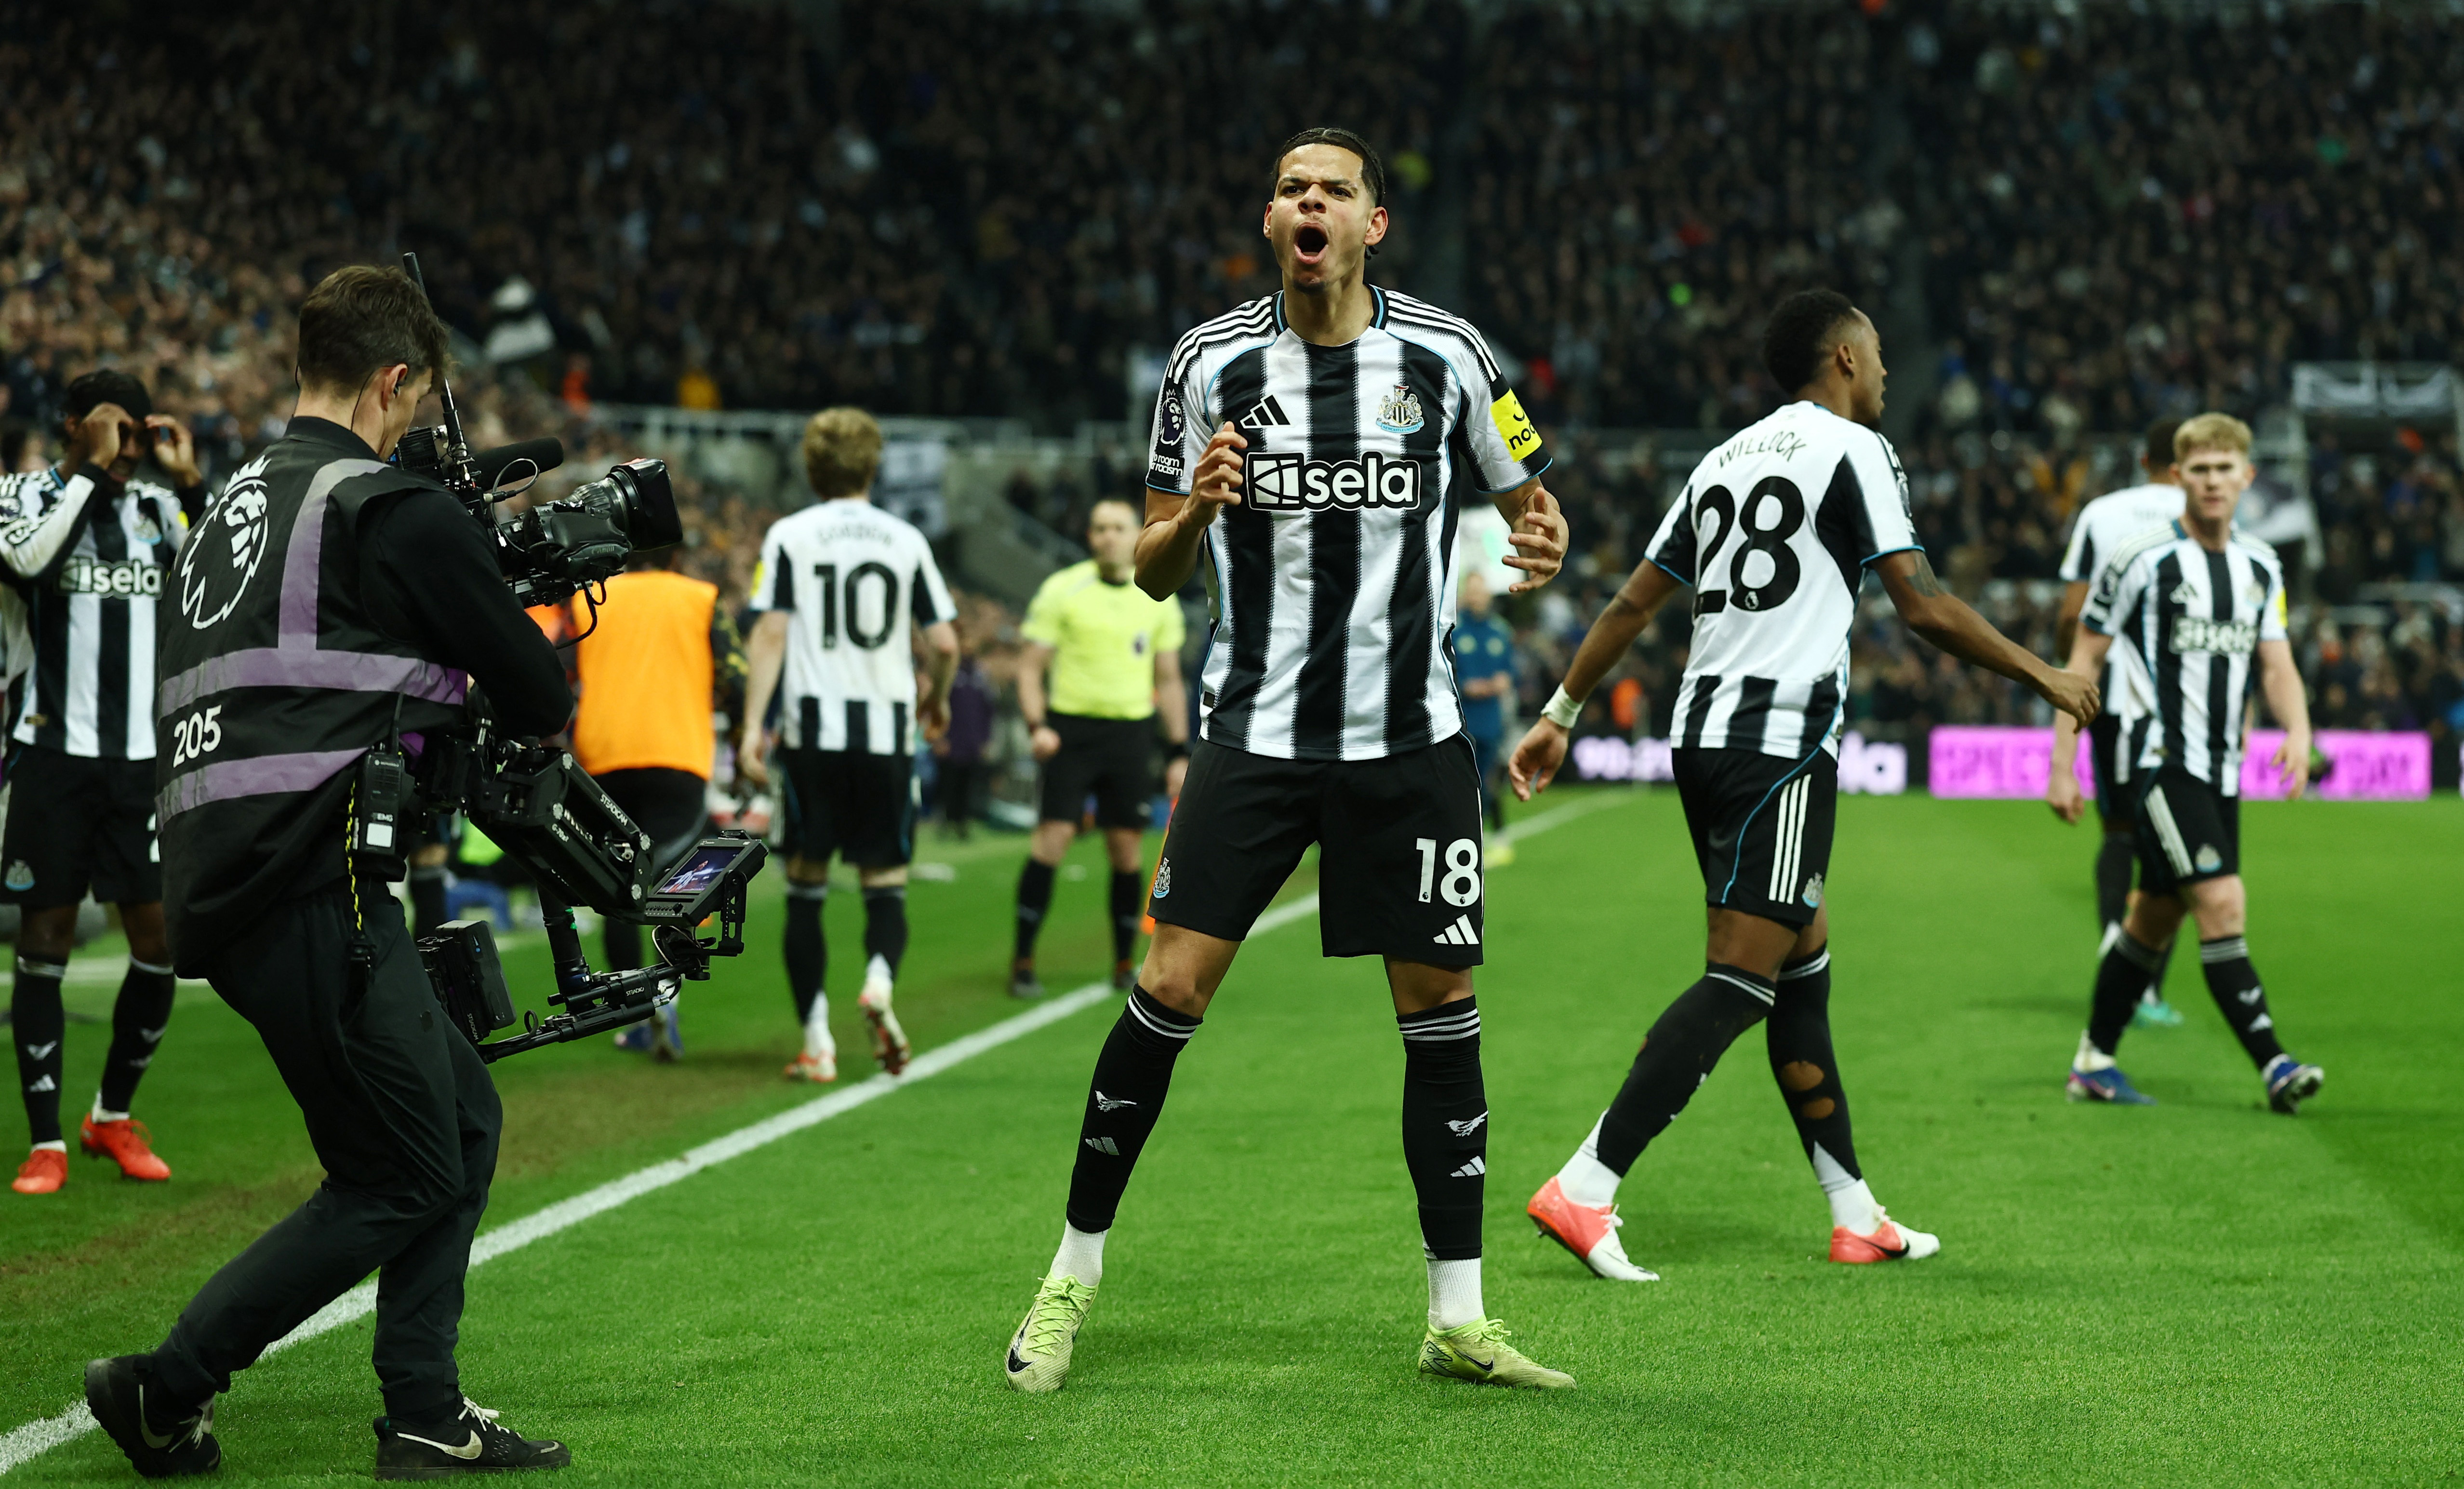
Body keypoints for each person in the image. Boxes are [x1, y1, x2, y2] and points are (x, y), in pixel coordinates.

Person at [1002, 128, 1576, 1395]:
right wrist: (1199, 511)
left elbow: (1531, 499)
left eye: (1334, 190)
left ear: (1373, 223)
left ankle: (1458, 1317)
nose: (1309, 203)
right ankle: (1068, 1279)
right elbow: (1152, 568)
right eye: (1290, 189)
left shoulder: (1450, 352)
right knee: (1170, 985)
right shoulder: (1207, 362)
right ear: (1272, 222)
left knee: (1438, 1005)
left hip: (1411, 741)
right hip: (1253, 734)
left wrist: (1543, 536)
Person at [84, 266, 575, 1478]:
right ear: (394, 380)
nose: (411, 428)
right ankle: (165, 1384)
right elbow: (538, 690)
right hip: (312, 874)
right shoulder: (377, 502)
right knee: (401, 1169)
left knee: (459, 1115)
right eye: (413, 402)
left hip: (223, 868)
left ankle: (423, 1407)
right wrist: (480, 576)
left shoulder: (232, 502)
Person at [1507, 289, 2098, 1283]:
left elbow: (1632, 602)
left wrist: (1561, 712)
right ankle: (1587, 1181)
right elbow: (1920, 601)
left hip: (1701, 736)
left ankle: (1853, 1210)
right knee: (1740, 976)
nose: (1885, 371)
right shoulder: (1854, 450)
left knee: (1798, 962)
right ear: (1843, 356)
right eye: (1875, 352)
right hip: (1776, 741)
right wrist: (2045, 674)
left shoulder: (1720, 459)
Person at [2048, 413, 2325, 1112]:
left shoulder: (2261, 565)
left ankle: (2093, 1061)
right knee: (2222, 902)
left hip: (2222, 771)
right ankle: (2274, 1064)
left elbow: (2276, 663)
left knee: (2152, 920)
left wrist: (2298, 731)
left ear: (2246, 477)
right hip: (2159, 763)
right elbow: (2083, 659)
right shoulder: (2140, 559)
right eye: (2198, 470)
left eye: (2224, 469)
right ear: (2177, 477)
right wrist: (2062, 764)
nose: (2211, 482)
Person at [4, 370, 207, 1196]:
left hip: (142, 762)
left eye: (135, 431)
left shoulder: (157, 509)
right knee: (45, 939)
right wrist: (89, 469)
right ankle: (45, 1140)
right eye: (111, 428)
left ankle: (111, 1117)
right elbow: (29, 562)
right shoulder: (21, 496)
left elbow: (223, 586)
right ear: (73, 426)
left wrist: (191, 484)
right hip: (51, 753)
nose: (127, 446)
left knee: (160, 943)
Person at [739, 407, 958, 1084]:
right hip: (886, 737)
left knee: (805, 887)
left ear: (811, 467)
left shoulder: (789, 535)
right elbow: (945, 641)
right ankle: (880, 982)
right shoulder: (905, 538)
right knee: (884, 883)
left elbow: (770, 632)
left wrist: (751, 726)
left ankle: (817, 1042)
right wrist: (937, 697)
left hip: (812, 737)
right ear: (873, 465)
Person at [568, 547, 746, 1060]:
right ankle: (666, 996)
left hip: (603, 757)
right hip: (677, 755)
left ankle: (636, 1012)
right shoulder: (701, 598)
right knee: (672, 882)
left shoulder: (587, 598)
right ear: (677, 555)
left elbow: (555, 670)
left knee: (618, 885)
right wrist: (741, 741)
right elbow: (736, 677)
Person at [1009, 498, 1189, 998]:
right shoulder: (1062, 589)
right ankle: (1022, 960)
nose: (1108, 536)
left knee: (1126, 849)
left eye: (1117, 527)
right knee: (1052, 840)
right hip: (1070, 732)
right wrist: (1036, 725)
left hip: (1130, 734)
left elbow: (1169, 680)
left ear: (1136, 533)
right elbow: (1029, 667)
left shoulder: (1158, 596)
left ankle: (1123, 962)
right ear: (1089, 537)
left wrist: (1178, 749)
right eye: (1099, 528)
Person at [2049, 419, 2190, 1030]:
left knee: (2119, 832)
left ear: (2142, 459)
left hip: (2114, 696)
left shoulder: (2101, 513)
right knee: (2176, 846)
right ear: (2187, 463)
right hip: (2186, 705)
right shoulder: (2208, 514)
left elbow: (2071, 613)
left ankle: (2118, 949)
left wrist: (2074, 670)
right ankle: (2147, 987)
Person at [1452, 570, 1516, 863]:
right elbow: (1454, 677)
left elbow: (1509, 673)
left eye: (1481, 591)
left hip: (1491, 722)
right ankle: (1464, 841)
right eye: (1473, 591)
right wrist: (1470, 686)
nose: (1477, 596)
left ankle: (1495, 839)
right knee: (1463, 785)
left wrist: (1496, 684)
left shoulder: (1500, 632)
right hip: (1460, 722)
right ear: (1466, 594)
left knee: (1489, 781)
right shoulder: (1454, 630)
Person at [933, 620, 994, 840]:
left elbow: (988, 710)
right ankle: (945, 821)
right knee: (949, 783)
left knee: (967, 785)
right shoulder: (950, 673)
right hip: (952, 739)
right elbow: (938, 705)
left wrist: (986, 739)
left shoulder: (980, 675)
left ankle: (962, 822)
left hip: (972, 741)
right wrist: (940, 737)